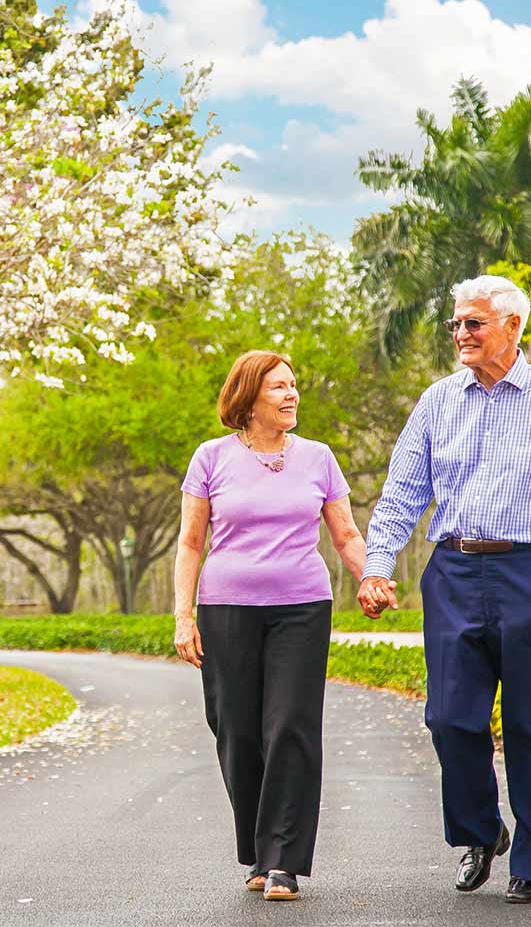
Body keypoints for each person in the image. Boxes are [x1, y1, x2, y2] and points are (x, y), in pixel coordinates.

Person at [358, 275, 531, 905]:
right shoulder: (438, 401)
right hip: (455, 572)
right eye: (456, 325)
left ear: (512, 326)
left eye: (474, 323)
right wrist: (377, 564)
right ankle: (480, 830)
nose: (461, 335)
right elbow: (402, 495)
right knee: (448, 716)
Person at [174, 350, 384, 901]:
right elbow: (191, 543)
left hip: (302, 606)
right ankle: (258, 851)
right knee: (237, 731)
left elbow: (345, 535)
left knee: (290, 724)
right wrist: (182, 615)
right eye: (279, 387)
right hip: (226, 609)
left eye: (294, 386)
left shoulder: (317, 458)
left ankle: (284, 861)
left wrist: (371, 577)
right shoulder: (211, 458)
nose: (292, 395)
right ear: (248, 398)